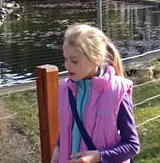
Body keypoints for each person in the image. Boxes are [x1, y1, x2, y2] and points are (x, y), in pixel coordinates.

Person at [57, 25, 139, 163]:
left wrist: (99, 156)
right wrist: (59, 148)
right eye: (66, 59)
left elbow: (132, 145)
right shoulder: (66, 88)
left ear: (96, 58)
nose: (67, 65)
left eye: (74, 61)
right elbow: (69, 126)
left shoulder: (117, 92)